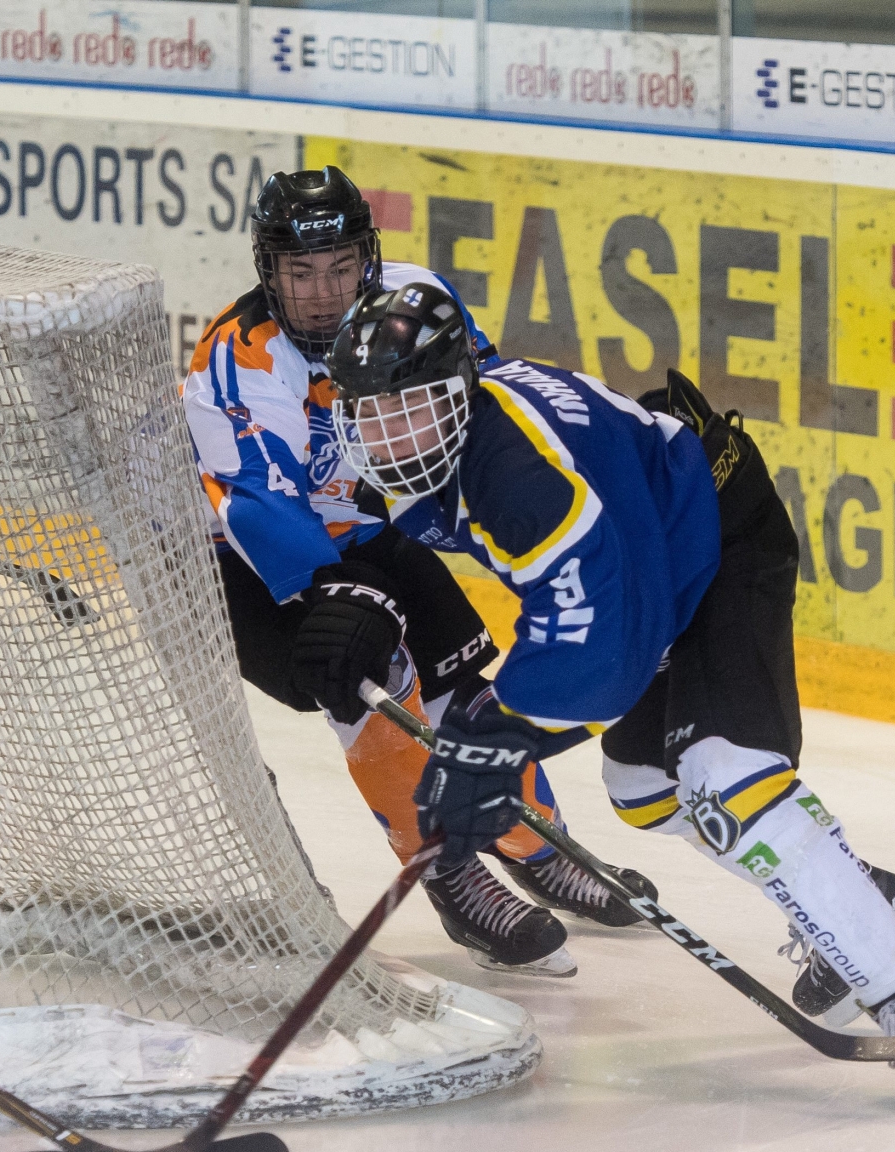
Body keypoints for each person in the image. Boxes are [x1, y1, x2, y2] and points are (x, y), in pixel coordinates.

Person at [324, 281, 895, 1110]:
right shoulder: (427, 456)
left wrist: (500, 729)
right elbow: (594, 609)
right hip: (651, 551)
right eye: (370, 415)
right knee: (644, 790)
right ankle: (864, 892)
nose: (390, 436)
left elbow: (603, 637)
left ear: (460, 387)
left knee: (726, 777)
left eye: (411, 407)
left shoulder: (516, 469)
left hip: (717, 539)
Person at [182, 166, 631, 978]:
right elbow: (253, 502)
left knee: (464, 686)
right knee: (370, 676)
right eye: (299, 272)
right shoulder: (236, 360)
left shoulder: (418, 305)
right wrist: (338, 593)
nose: (322, 294)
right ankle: (451, 876)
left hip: (362, 529)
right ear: (268, 271)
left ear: (370, 260)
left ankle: (537, 845)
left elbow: (484, 405)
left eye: (341, 269)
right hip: (241, 562)